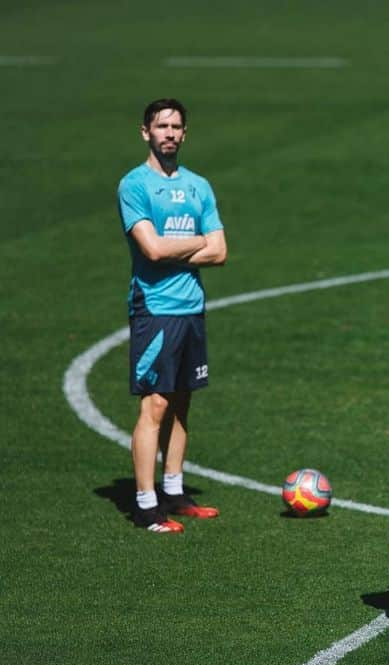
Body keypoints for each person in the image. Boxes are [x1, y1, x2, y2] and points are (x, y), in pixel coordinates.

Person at [117, 98, 228, 533]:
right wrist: (197, 241)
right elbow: (152, 249)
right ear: (146, 132)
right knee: (156, 404)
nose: (168, 133)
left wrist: (179, 246)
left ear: (184, 134)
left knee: (182, 401)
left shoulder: (199, 186)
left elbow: (221, 252)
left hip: (191, 309)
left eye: (176, 126)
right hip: (155, 310)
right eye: (161, 126)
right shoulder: (134, 185)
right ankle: (146, 505)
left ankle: (175, 491)